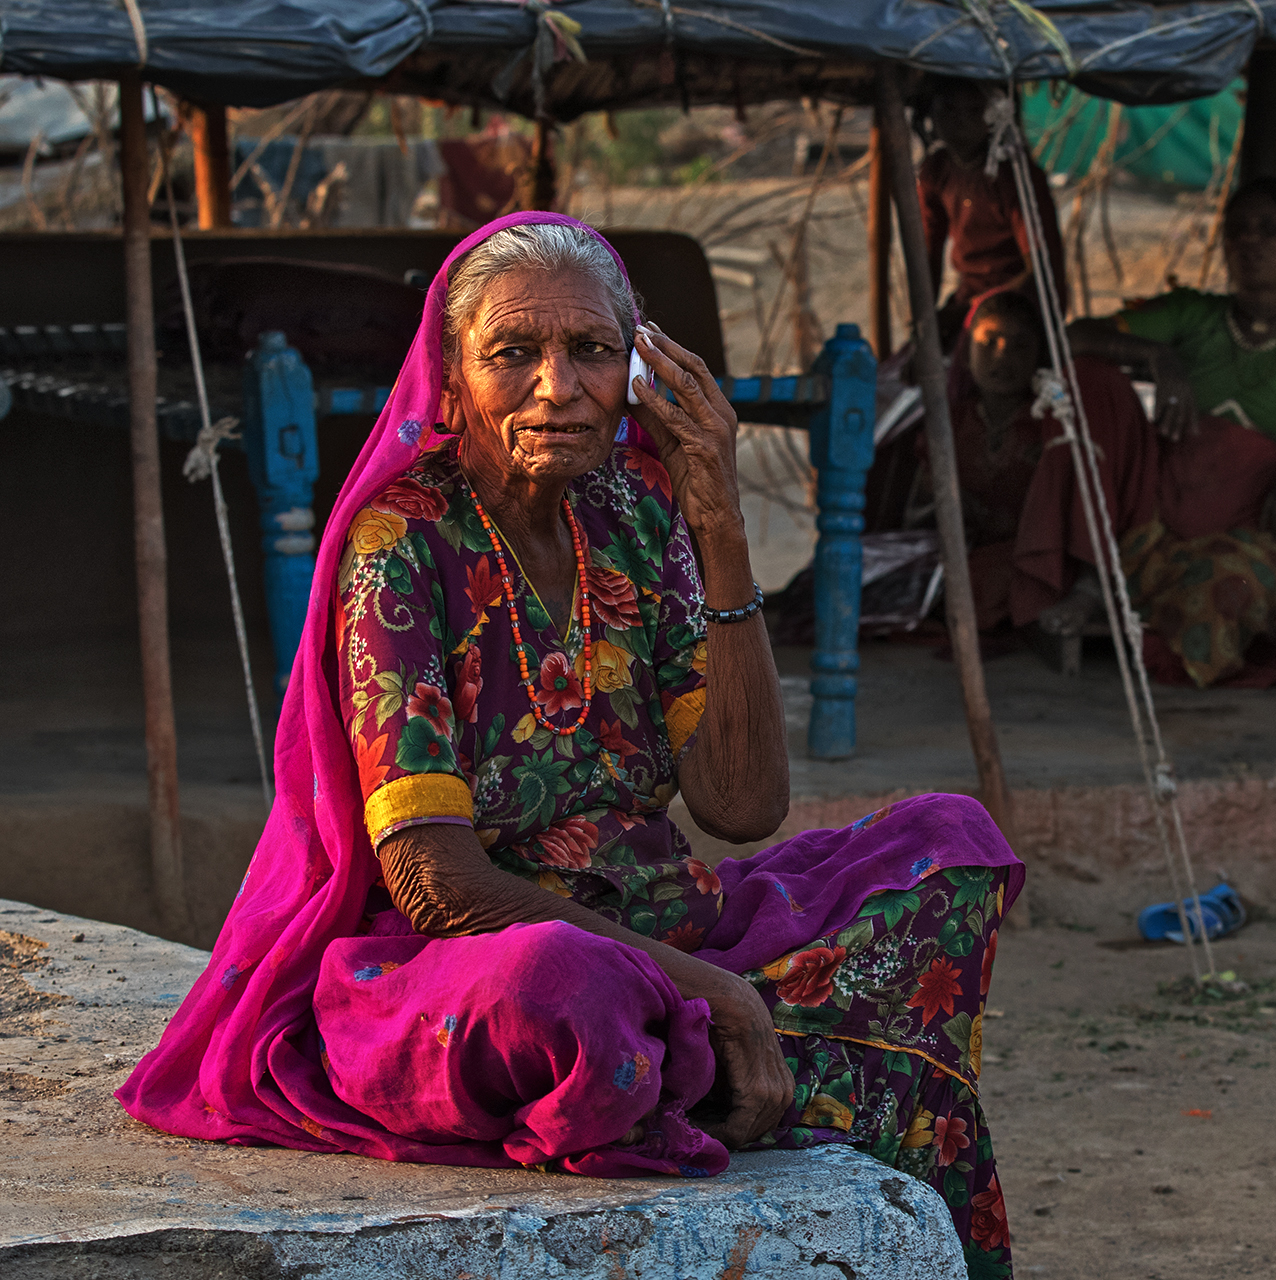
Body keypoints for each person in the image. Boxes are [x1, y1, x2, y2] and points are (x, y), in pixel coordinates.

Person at [117, 214, 1021, 1278]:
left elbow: (741, 806)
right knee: (558, 985)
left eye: (592, 349)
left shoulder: (639, 511)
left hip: (663, 921)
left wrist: (720, 519)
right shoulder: (402, 543)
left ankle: (688, 1059)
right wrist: (718, 991)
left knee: (950, 838)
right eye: (513, 352)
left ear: (637, 367)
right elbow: (434, 882)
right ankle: (728, 1047)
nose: (558, 387)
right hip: (479, 954)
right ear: (453, 375)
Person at [1057, 177, 1276, 687]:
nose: (1250, 242)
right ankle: (1096, 580)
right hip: (1163, 520)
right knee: (1089, 377)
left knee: (1227, 587)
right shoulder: (1192, 315)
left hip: (1260, 530)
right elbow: (1072, 337)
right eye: (1237, 231)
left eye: (1269, 230)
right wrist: (1156, 356)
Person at [937, 288, 1158, 630]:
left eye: (1020, 346)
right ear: (966, 354)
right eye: (988, 342)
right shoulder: (950, 424)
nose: (1003, 355)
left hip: (1039, 551)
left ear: (1040, 356)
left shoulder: (1052, 419)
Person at [918, 76, 1069, 349]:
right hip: (967, 299)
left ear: (994, 116)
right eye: (949, 109)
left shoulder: (1015, 176)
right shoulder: (936, 170)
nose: (960, 121)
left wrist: (967, 312)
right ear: (931, 112)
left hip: (1017, 306)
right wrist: (925, 319)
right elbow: (927, 255)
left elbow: (1040, 271)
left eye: (974, 110)